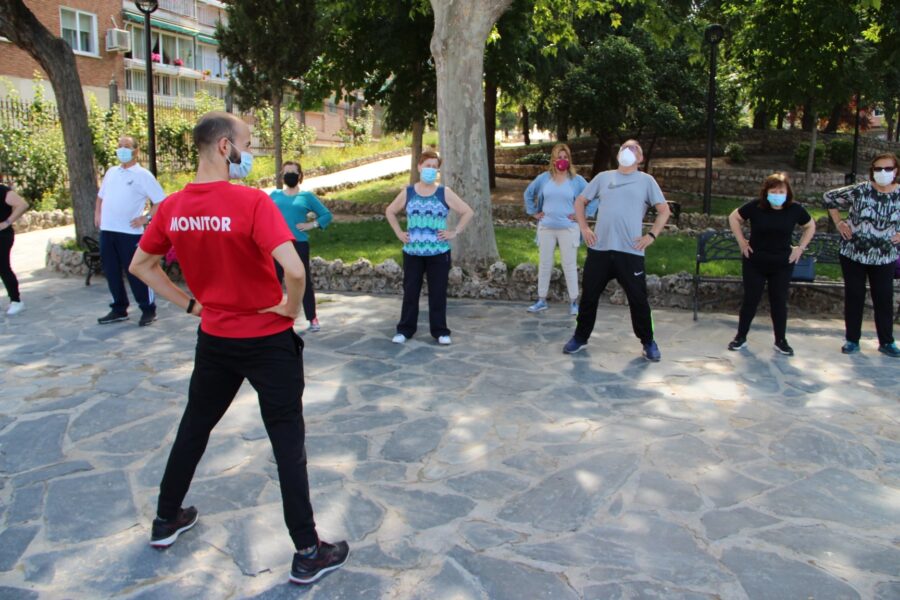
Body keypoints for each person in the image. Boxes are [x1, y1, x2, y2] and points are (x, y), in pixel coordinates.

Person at [129, 112, 348, 585]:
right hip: (267, 341)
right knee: (287, 440)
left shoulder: (172, 207)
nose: (251, 153)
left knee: (195, 426)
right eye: (247, 143)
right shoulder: (252, 203)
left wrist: (192, 307)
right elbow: (294, 270)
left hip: (215, 339)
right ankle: (308, 550)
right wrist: (290, 310)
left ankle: (167, 518)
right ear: (225, 147)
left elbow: (142, 265)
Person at [562, 140, 671, 361]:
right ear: (618, 153)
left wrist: (651, 236)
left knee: (638, 300)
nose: (628, 151)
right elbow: (580, 202)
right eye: (624, 147)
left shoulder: (646, 181)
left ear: (640, 158)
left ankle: (648, 342)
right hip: (600, 249)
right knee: (589, 297)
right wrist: (584, 227)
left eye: (634, 148)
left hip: (630, 252)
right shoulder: (604, 177)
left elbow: (664, 210)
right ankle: (580, 337)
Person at [385, 150, 474, 345]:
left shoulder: (445, 193)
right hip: (412, 253)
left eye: (434, 167)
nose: (430, 170)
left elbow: (467, 211)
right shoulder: (408, 192)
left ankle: (440, 331)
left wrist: (455, 231)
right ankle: (405, 330)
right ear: (419, 167)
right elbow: (390, 211)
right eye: (427, 166)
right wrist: (399, 233)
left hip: (439, 253)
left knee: (438, 293)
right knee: (410, 292)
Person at [727, 173, 816, 356]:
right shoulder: (755, 207)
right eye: (773, 190)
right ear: (766, 192)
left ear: (787, 192)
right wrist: (741, 241)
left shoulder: (795, 209)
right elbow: (733, 218)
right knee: (751, 299)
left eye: (781, 190)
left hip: (782, 263)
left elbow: (810, 226)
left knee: (779, 301)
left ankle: (780, 340)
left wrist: (800, 248)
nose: (777, 193)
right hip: (755, 261)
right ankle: (740, 337)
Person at [822, 152, 900, 357]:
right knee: (854, 296)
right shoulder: (861, 190)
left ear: (896, 170)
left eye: (888, 169)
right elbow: (829, 197)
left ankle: (886, 341)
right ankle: (852, 340)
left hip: (884, 257)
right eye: (878, 169)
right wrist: (839, 222)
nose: (883, 172)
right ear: (872, 171)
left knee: (883, 298)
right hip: (853, 254)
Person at [95, 136, 166, 326]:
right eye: (119, 146)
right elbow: (100, 197)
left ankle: (148, 309)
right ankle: (119, 308)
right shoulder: (111, 172)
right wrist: (98, 214)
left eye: (126, 146)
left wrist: (146, 218)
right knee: (111, 272)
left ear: (135, 151)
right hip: (108, 230)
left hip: (130, 233)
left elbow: (161, 201)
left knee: (136, 271)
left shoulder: (142, 175)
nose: (122, 150)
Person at [523, 143, 589, 315]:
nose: (562, 160)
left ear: (569, 159)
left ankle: (574, 302)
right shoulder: (544, 178)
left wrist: (582, 214)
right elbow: (528, 193)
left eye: (565, 157)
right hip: (546, 228)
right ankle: (541, 300)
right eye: (559, 157)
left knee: (569, 265)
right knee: (545, 264)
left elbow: (593, 196)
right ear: (553, 159)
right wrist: (533, 212)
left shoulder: (577, 180)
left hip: (569, 229)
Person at [270, 161, 333, 332]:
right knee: (274, 280)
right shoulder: (274, 195)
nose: (289, 174)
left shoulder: (307, 197)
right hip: (277, 244)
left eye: (293, 171)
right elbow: (263, 215)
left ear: (300, 175)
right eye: (286, 171)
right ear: (282, 175)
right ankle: (273, 316)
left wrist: (312, 225)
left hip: (299, 244)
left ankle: (312, 318)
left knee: (303, 280)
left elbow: (326, 215)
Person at [0, 184, 29, 315]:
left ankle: (16, 301)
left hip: (2, 235)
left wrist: (6, 222)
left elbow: (22, 204)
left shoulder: (2, 191)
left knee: (3, 267)